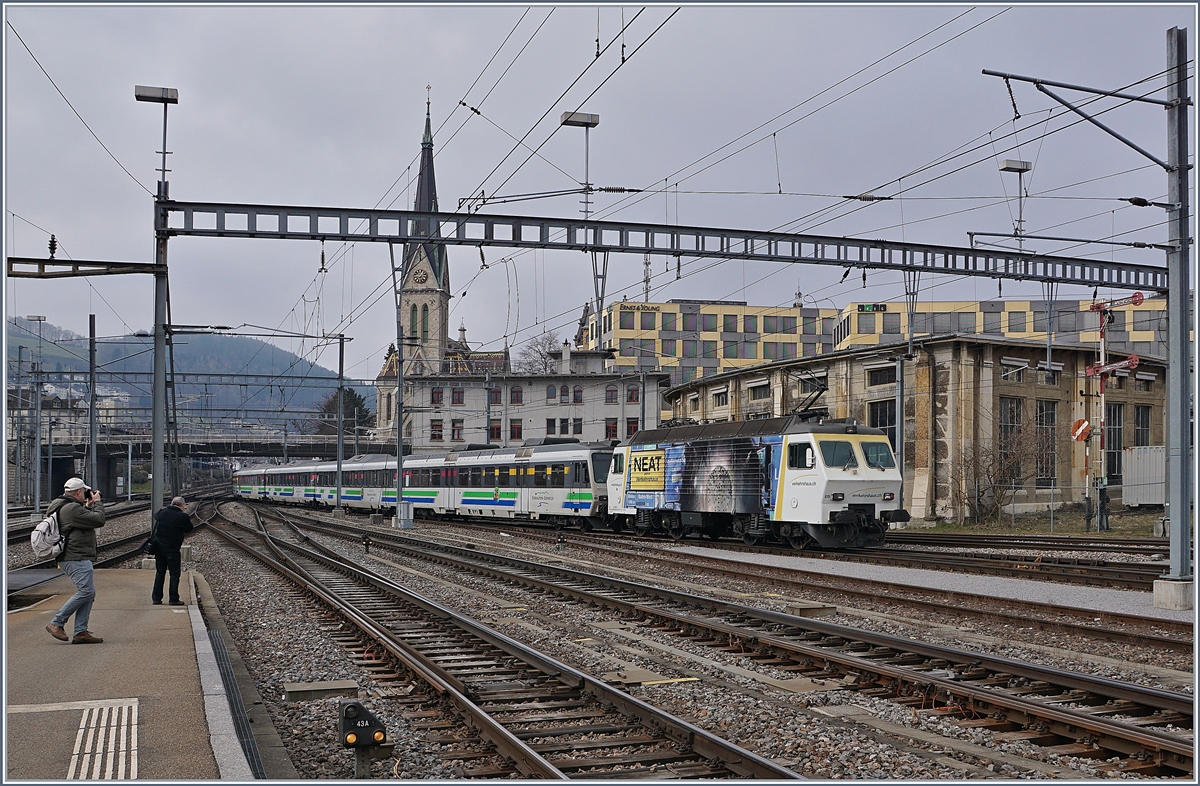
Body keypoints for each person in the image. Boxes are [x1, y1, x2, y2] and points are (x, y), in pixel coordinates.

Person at [45, 478, 106, 644]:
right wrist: (98, 503)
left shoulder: (64, 505)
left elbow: (80, 521)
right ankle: (56, 623)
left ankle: (81, 631)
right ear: (78, 492)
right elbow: (98, 520)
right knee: (86, 591)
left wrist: (87, 506)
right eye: (84, 492)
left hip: (75, 555)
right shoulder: (71, 508)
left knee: (89, 593)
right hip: (75, 556)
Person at [151, 496, 194, 606]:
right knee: (174, 573)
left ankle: (156, 598)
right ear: (182, 505)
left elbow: (156, 516)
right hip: (173, 549)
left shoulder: (162, 512)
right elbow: (189, 529)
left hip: (159, 548)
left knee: (160, 572)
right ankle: (173, 598)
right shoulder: (182, 516)